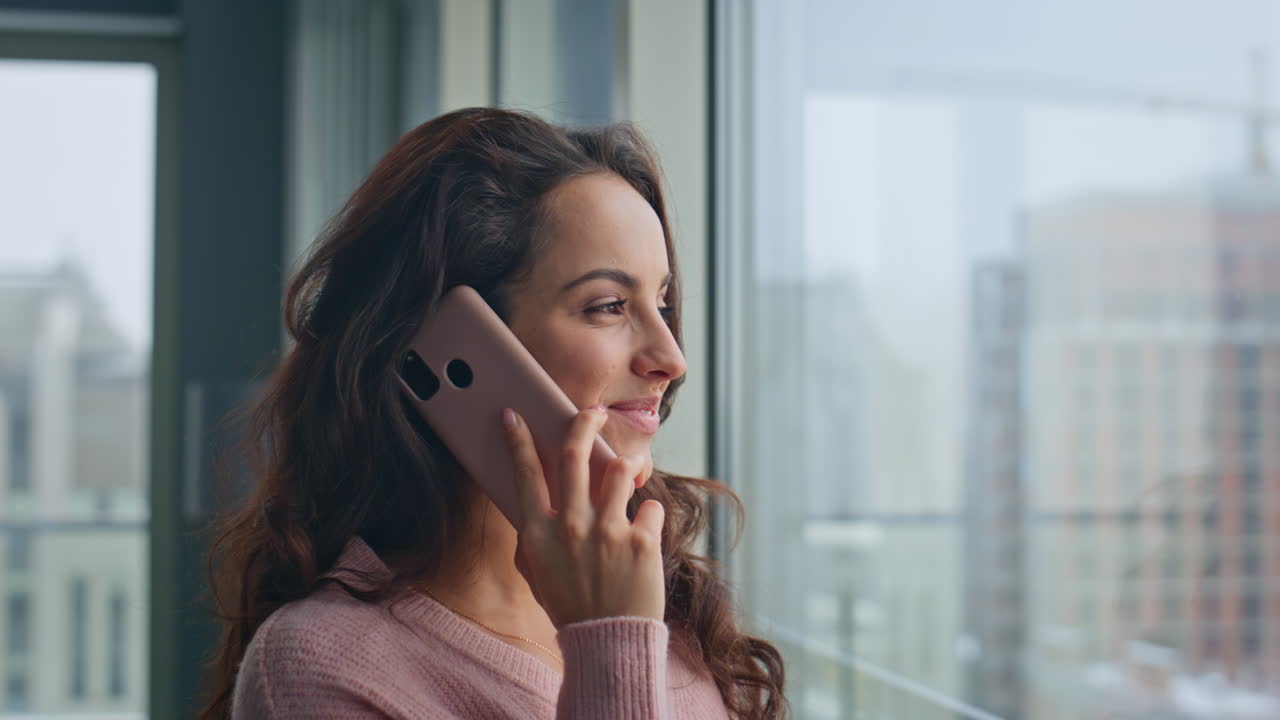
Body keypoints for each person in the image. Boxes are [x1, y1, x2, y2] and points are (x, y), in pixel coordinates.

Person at [199, 107, 788, 719]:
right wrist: (611, 641)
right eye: (609, 305)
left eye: (662, 302)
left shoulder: (674, 610)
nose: (672, 358)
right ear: (460, 341)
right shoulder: (324, 669)